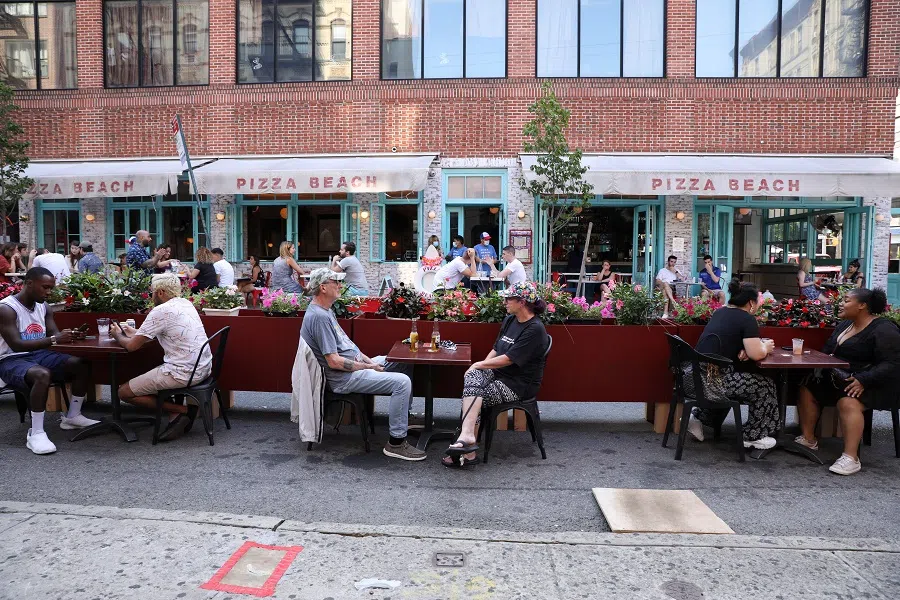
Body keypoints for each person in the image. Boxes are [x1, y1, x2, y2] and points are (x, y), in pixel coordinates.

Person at [300, 268, 425, 461]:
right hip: (345, 378)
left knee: (403, 360)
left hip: (356, 367)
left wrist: (369, 362)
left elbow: (349, 347)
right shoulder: (319, 317)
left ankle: (404, 418)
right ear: (323, 288)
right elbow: (334, 361)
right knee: (402, 382)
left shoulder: (326, 310)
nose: (340, 285)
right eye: (336, 282)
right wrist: (369, 367)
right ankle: (396, 443)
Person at [444, 281, 550, 468]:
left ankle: (467, 447)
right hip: (498, 373)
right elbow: (496, 349)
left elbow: (509, 358)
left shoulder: (535, 329)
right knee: (472, 380)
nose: (505, 301)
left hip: (518, 384)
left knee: (475, 395)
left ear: (522, 302)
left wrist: (479, 364)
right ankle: (468, 440)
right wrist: (482, 368)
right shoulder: (510, 320)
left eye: (509, 298)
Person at [794, 288, 900, 475]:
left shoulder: (884, 328)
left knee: (848, 402)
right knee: (807, 387)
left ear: (862, 306)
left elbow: (893, 363)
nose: (840, 304)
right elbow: (828, 352)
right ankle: (809, 439)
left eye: (846, 300)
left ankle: (851, 458)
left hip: (876, 383)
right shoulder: (845, 325)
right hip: (842, 378)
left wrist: (863, 379)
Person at [0, 267, 98, 454]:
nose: (49, 292)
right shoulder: (6, 309)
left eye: (51, 288)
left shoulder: (43, 307)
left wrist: (71, 335)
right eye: (45, 287)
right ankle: (36, 432)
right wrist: (54, 339)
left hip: (38, 354)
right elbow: (17, 344)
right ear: (28, 284)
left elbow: (53, 334)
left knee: (81, 364)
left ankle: (73, 416)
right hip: (9, 359)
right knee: (42, 375)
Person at [111, 273, 213, 442]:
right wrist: (135, 333)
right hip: (203, 368)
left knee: (123, 392)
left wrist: (117, 335)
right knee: (155, 372)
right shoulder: (185, 303)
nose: (151, 296)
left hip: (183, 373)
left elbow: (131, 346)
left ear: (160, 292)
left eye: (152, 292)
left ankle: (183, 411)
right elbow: (163, 332)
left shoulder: (161, 311)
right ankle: (175, 414)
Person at [686, 279, 779, 450]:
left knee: (736, 380)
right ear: (751, 303)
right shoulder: (747, 319)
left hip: (694, 379)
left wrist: (745, 348)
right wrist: (765, 346)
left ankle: (698, 417)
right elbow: (757, 353)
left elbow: (729, 340)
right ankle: (754, 435)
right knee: (765, 385)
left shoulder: (720, 313)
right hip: (713, 384)